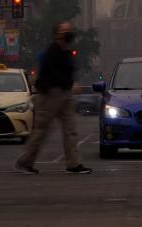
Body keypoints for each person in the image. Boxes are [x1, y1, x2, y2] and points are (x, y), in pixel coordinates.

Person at [14, 21, 92, 175]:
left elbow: (68, 72)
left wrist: (71, 84)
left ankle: (73, 163)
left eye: (69, 30)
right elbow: (52, 72)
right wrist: (70, 84)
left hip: (65, 94)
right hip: (50, 94)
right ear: (57, 34)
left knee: (70, 129)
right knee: (41, 130)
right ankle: (25, 162)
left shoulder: (67, 51)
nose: (68, 33)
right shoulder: (53, 51)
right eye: (65, 31)